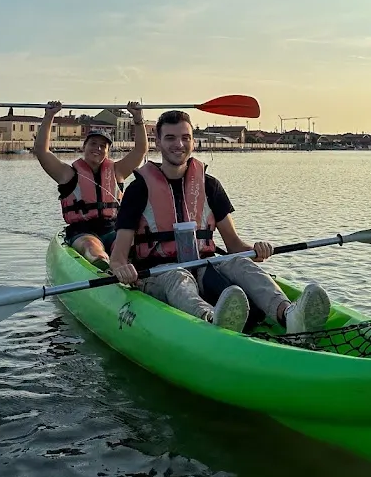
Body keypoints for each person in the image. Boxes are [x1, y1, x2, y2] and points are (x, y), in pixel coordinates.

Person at [109, 110, 331, 333]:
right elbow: (118, 257)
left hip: (204, 265)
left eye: (185, 138)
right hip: (157, 274)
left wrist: (256, 249)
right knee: (178, 277)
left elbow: (234, 246)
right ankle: (211, 319)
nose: (179, 144)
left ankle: (288, 314)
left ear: (193, 142)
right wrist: (122, 270)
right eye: (170, 138)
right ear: (157, 142)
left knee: (240, 262)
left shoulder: (209, 185)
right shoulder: (138, 190)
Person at [34, 100, 148, 265]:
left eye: (103, 146)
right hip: (82, 232)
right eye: (93, 144)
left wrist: (138, 118)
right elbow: (42, 151)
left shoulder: (118, 171)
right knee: (92, 247)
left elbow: (140, 150)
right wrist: (49, 115)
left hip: (113, 230)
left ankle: (127, 268)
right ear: (84, 147)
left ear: (108, 151)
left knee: (127, 245)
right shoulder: (67, 174)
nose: (98, 148)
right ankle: (103, 264)